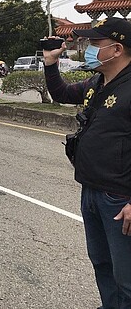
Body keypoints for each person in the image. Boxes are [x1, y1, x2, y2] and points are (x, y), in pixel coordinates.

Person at [43, 17, 131, 308]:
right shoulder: (98, 81)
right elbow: (63, 94)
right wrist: (50, 64)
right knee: (102, 263)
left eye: (94, 43)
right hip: (92, 190)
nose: (88, 48)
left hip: (120, 198)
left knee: (126, 276)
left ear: (117, 49)